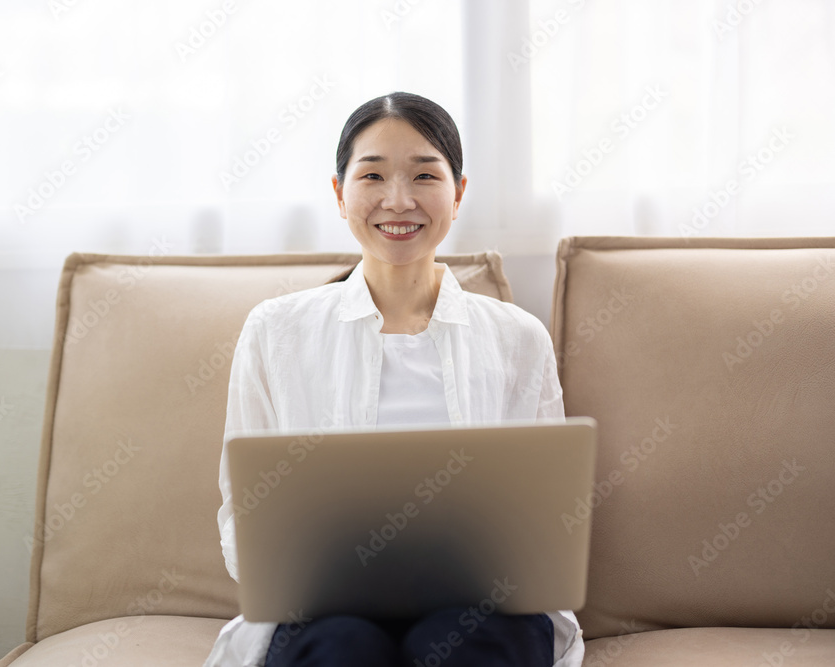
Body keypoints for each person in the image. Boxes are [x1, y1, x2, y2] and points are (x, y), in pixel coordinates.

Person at [203, 91, 584, 667]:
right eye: (373, 175)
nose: (398, 201)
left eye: (424, 175)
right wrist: (290, 581)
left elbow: (550, 518)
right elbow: (245, 508)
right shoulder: (275, 332)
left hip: (485, 608)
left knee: (459, 644)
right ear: (340, 194)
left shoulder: (518, 338)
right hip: (327, 611)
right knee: (344, 647)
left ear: (457, 191)